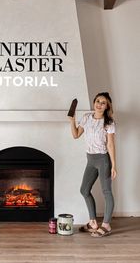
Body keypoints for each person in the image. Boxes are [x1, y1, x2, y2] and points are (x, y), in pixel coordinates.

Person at [69, 92, 117, 237]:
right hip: (90, 160)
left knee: (106, 192)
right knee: (84, 190)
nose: (99, 104)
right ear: (94, 102)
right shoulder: (86, 118)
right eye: (97, 101)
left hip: (103, 160)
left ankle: (106, 225)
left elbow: (110, 145)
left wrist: (114, 165)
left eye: (103, 102)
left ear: (107, 106)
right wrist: (72, 119)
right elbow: (76, 135)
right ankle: (93, 223)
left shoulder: (109, 122)